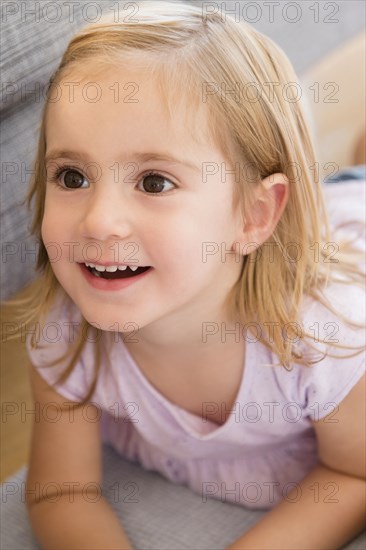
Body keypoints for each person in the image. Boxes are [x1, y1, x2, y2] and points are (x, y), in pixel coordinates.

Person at [5, 2, 365, 548]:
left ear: (253, 215)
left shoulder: (325, 339)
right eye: (72, 175)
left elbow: (353, 475)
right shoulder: (65, 336)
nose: (99, 220)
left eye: (153, 183)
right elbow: (62, 492)